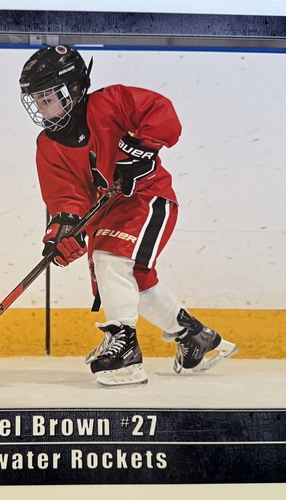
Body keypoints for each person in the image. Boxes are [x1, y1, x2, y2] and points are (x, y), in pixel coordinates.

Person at [19, 45, 237, 388]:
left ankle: (125, 350)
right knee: (132, 279)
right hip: (109, 214)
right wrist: (63, 230)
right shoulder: (48, 145)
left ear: (74, 88)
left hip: (148, 198)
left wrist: (145, 148)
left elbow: (160, 111)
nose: (42, 107)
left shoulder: (109, 103)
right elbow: (65, 196)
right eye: (37, 99)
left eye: (48, 97)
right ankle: (196, 337)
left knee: (110, 260)